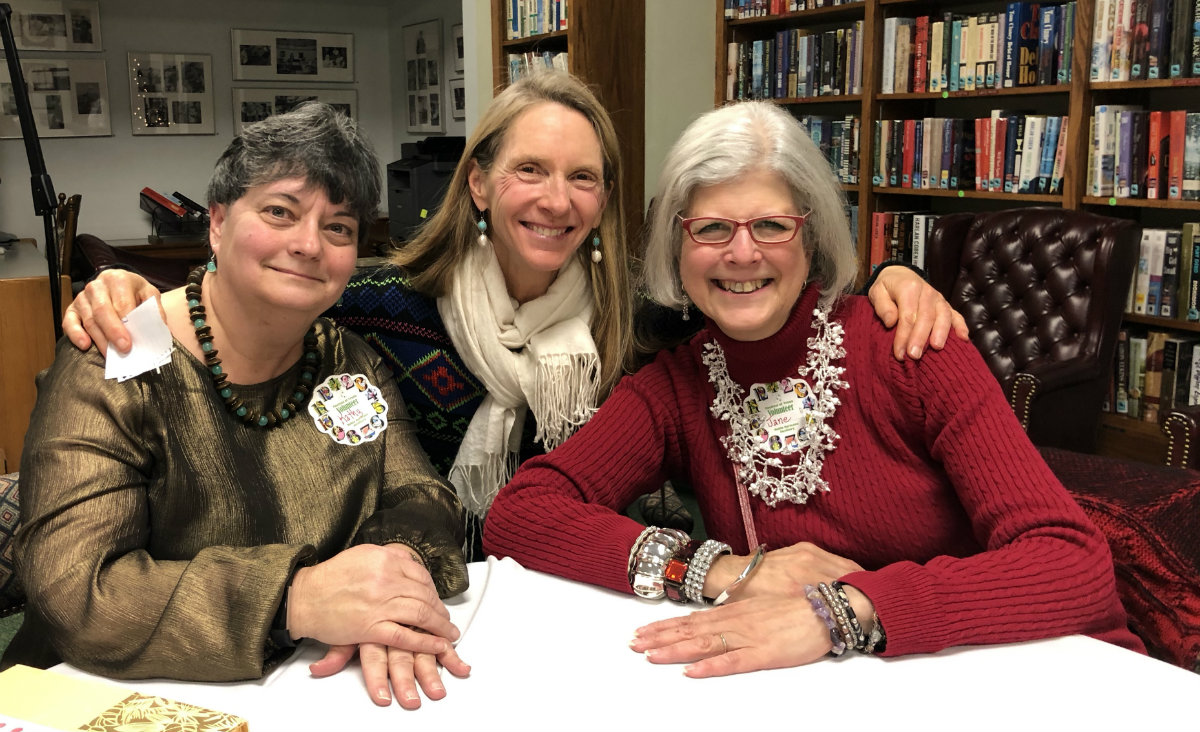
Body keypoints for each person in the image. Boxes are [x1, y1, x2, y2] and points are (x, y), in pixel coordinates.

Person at [61, 72, 964, 557]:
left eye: (584, 177)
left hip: (590, 599)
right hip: (423, 587)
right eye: (531, 170)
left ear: (607, 200)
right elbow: (264, 301)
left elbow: (759, 297)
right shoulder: (376, 302)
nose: (556, 200)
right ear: (482, 183)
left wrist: (882, 276)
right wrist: (141, 298)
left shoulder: (643, 329)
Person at [482, 100, 1145, 677]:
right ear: (677, 250)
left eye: (771, 225)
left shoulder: (912, 346)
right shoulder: (676, 387)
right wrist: (717, 571)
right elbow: (522, 515)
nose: (742, 254)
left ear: (813, 235)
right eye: (711, 228)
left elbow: (1072, 567)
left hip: (1028, 674)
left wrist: (841, 612)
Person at [2, 103, 470, 710]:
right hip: (99, 701)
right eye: (280, 212)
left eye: (339, 228)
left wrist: (388, 585)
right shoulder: (119, 356)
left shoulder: (350, 360)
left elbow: (423, 498)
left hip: (311, 689)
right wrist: (295, 598)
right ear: (217, 223)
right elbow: (76, 594)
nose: (308, 245)